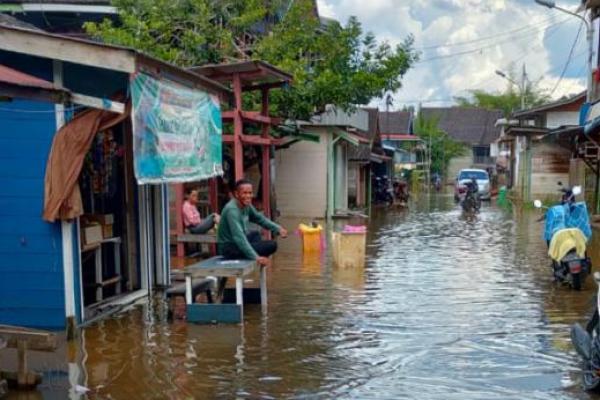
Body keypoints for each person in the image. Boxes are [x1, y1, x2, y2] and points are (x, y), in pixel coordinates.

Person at [218, 179, 288, 266]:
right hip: (229, 248)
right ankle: (254, 255)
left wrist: (278, 228)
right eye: (245, 193)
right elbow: (239, 238)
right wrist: (256, 257)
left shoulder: (246, 205)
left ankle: (251, 253)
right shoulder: (232, 210)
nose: (248, 196)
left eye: (250, 193)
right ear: (237, 194)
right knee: (272, 245)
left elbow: (260, 219)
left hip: (238, 243)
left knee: (255, 234)